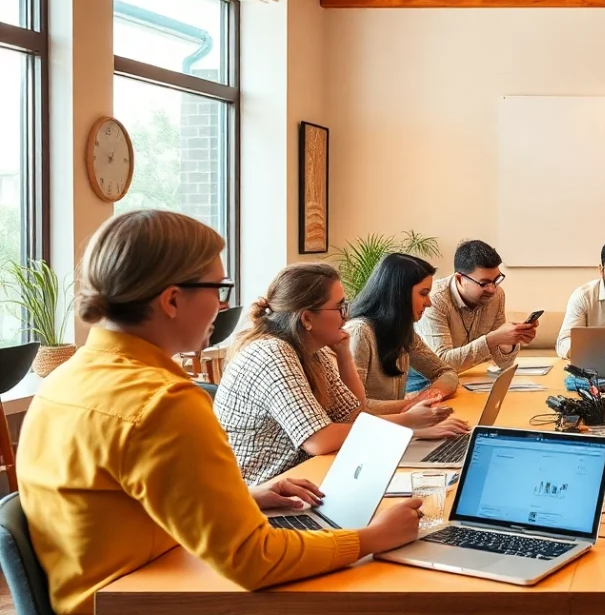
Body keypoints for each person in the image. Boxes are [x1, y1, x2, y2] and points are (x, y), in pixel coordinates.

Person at [15, 210, 422, 615]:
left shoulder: (62, 380)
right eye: (218, 288)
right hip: (144, 598)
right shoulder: (163, 400)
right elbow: (253, 560)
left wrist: (246, 498)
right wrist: (369, 539)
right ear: (172, 300)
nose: (224, 304)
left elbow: (120, 505)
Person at [216, 263, 459, 485]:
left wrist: (344, 355)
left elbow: (353, 412)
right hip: (258, 492)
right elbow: (319, 440)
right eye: (339, 307)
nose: (347, 315)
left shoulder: (312, 350)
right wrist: (407, 421)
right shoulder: (272, 352)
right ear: (307, 318)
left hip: (297, 479)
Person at [345, 254, 467, 420]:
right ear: (398, 294)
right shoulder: (359, 333)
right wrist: (413, 404)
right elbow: (352, 407)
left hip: (396, 427)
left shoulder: (404, 333)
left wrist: (429, 396)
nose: (429, 303)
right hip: (369, 434)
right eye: (423, 294)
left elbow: (447, 373)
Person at [417, 239, 536, 379]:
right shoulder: (435, 299)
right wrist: (491, 340)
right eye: (484, 283)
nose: (492, 289)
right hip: (427, 381)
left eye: (496, 280)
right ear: (460, 279)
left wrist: (509, 341)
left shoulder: (497, 295)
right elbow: (440, 364)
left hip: (470, 379)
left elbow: (504, 364)